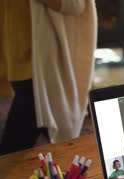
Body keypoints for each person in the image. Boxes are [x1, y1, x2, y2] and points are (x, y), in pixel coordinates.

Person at [0, 0, 96, 154]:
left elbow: (76, 4)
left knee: (11, 150)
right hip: (15, 61)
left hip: (41, 68)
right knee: (42, 141)